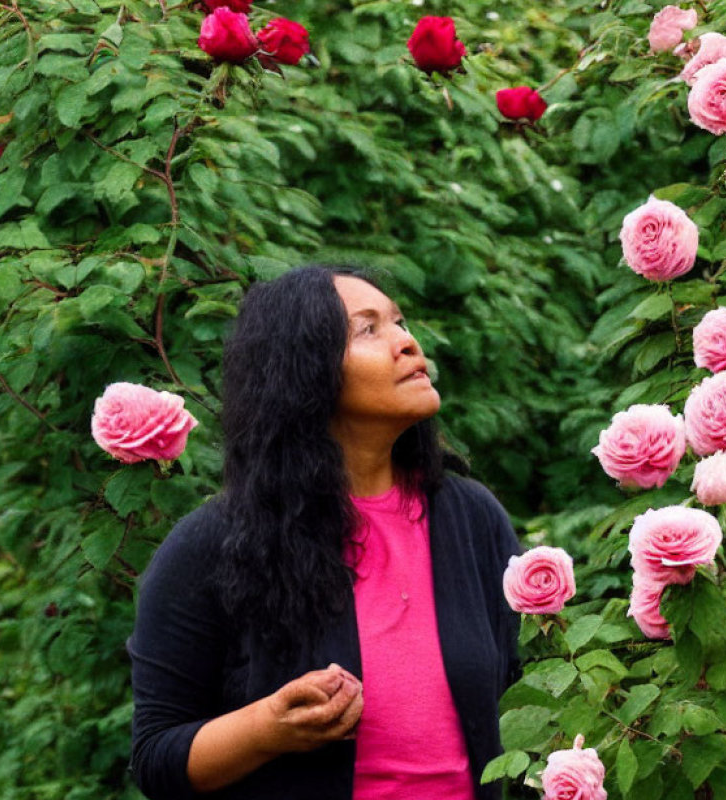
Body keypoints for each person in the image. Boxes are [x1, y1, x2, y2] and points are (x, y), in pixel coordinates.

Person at [128, 265, 522, 799]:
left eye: (400, 322)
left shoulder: (472, 519)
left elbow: (527, 705)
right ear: (305, 373)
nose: (407, 343)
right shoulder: (213, 544)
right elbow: (155, 760)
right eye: (368, 329)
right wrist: (265, 728)